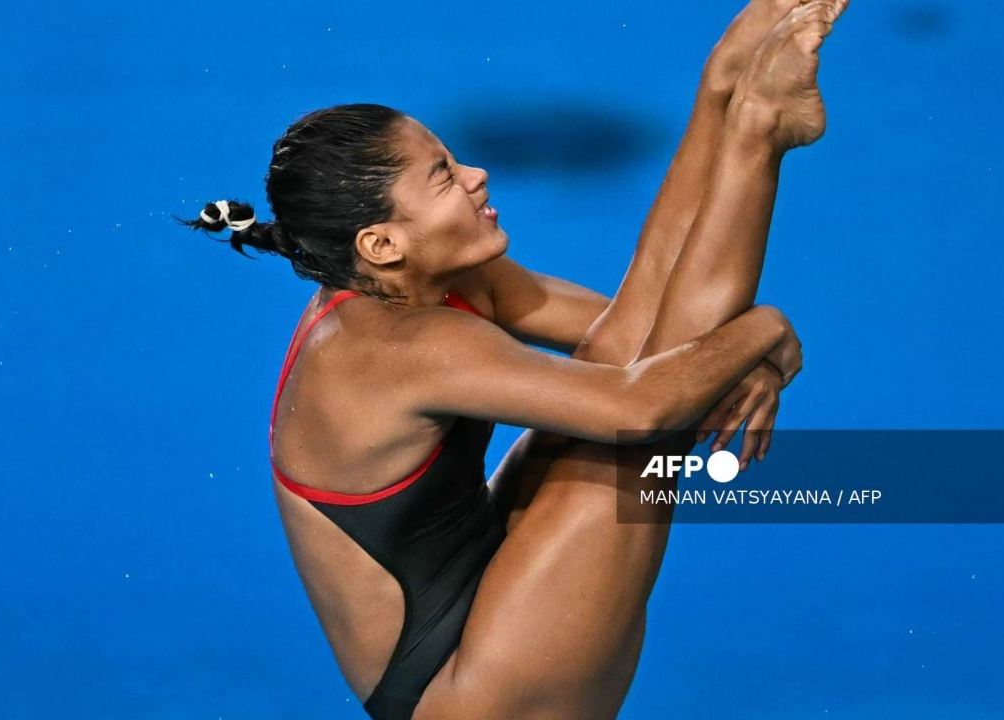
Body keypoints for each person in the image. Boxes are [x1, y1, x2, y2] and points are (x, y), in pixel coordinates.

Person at [180, 1, 846, 717]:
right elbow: (643, 407)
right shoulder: (395, 348)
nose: (477, 175)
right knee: (633, 439)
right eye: (442, 176)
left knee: (628, 376)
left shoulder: (434, 279)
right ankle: (758, 135)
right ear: (381, 244)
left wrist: (713, 103)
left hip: (485, 602)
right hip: (461, 692)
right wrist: (764, 330)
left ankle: (727, 98)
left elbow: (636, 332)